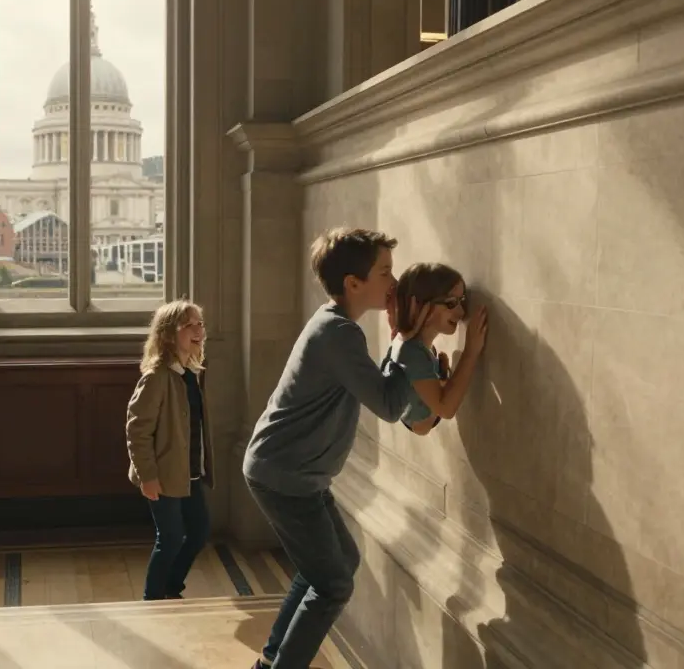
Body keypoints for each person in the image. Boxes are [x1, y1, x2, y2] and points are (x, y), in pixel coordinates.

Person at [241, 227, 429, 669]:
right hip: (285, 476)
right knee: (334, 584)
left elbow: (380, 388)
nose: (394, 283)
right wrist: (412, 340)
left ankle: (269, 663)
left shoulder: (336, 326)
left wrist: (404, 348)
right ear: (353, 284)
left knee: (338, 562)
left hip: (294, 474)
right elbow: (387, 403)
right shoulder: (338, 333)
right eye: (385, 272)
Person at [125, 299, 213, 601]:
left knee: (199, 532)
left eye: (200, 323)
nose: (198, 329)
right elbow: (137, 430)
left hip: (189, 472)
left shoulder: (192, 373)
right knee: (172, 537)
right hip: (163, 474)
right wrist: (147, 475)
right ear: (167, 333)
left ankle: (171, 587)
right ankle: (154, 597)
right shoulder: (157, 377)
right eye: (190, 324)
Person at [390, 262, 488, 436]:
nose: (461, 312)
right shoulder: (411, 352)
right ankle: (440, 380)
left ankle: (440, 379)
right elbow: (446, 409)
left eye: (461, 302)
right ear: (419, 305)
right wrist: (471, 351)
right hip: (419, 421)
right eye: (451, 303)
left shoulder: (412, 343)